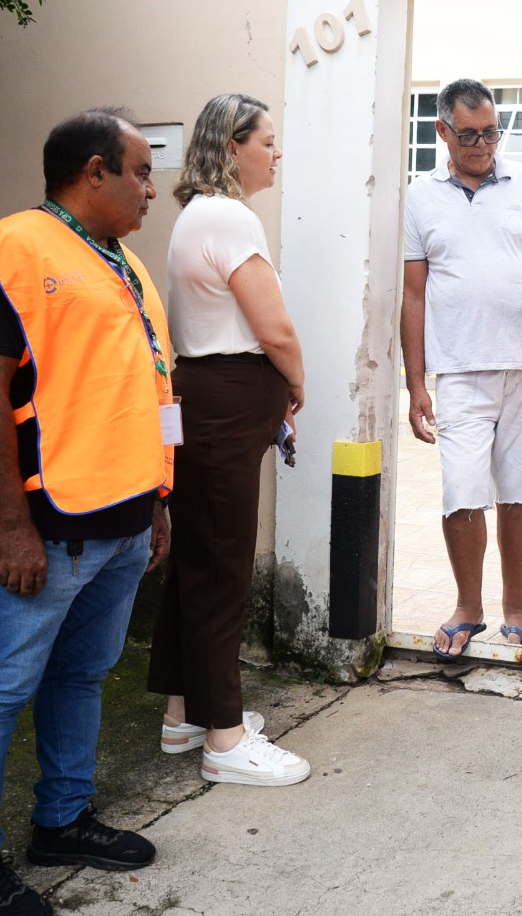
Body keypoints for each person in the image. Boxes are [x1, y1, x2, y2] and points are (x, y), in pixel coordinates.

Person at [0, 108, 171, 916]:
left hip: (123, 523)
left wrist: (159, 501)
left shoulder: (124, 265)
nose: (152, 188)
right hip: (46, 529)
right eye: (141, 171)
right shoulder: (11, 248)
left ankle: (62, 820)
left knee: (81, 675)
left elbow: (150, 387)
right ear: (94, 172)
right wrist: (10, 524)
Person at [146, 93, 310, 787]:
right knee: (222, 572)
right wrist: (296, 384)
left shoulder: (197, 216)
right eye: (267, 141)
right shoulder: (230, 215)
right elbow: (273, 329)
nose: (277, 153)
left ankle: (187, 714)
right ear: (234, 144)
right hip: (226, 402)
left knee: (198, 564)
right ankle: (225, 739)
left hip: (211, 402)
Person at [400, 78, 522, 658]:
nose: (483, 145)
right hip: (459, 372)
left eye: (491, 133)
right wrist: (415, 382)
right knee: (461, 491)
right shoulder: (418, 196)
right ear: (441, 131)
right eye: (469, 134)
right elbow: (413, 296)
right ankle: (467, 607)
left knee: (518, 492)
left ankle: (516, 609)